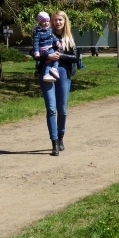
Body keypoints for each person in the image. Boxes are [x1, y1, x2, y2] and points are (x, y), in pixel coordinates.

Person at [43, 11, 79, 156]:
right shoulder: (46, 34)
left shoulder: (68, 37)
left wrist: (60, 55)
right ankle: (54, 142)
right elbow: (34, 52)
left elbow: (75, 57)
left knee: (62, 109)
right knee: (51, 108)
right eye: (55, 20)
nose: (57, 22)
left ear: (65, 22)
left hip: (64, 73)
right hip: (47, 73)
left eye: (60, 20)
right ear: (52, 21)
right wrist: (47, 55)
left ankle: (61, 136)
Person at [32, 11, 60, 82]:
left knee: (52, 59)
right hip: (43, 49)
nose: (46, 23)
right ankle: (50, 71)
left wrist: (57, 41)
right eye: (44, 21)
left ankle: (52, 70)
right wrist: (36, 51)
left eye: (47, 21)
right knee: (54, 57)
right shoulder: (37, 31)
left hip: (49, 48)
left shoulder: (49, 29)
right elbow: (36, 42)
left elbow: (52, 37)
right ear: (40, 22)